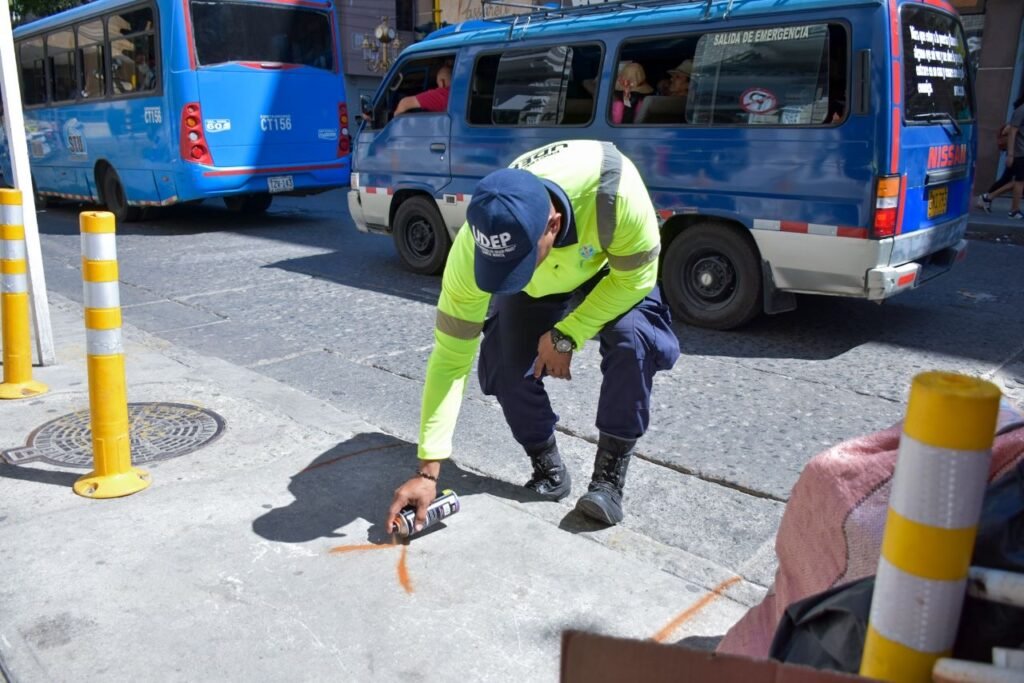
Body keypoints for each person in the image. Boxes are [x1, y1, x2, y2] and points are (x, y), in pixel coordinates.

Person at [385, 140, 681, 534]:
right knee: (506, 364)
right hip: (543, 280)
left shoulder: (615, 193)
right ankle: (546, 462)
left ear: (553, 226)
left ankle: (608, 481)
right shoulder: (477, 243)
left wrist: (567, 334)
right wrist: (429, 470)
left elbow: (637, 279)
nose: (506, 273)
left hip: (609, 269)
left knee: (633, 340)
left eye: (517, 264)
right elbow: (451, 357)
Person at [977, 93, 1024, 218]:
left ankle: (988, 197)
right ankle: (1013, 210)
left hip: (1018, 153)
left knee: (1011, 180)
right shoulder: (1021, 110)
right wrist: (1011, 154)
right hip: (1019, 153)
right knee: (1017, 181)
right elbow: (1010, 131)